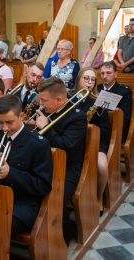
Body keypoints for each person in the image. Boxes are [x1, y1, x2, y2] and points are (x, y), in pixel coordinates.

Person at [0, 94, 53, 236]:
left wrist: (10, 173)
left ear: (21, 116)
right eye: (0, 122)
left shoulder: (38, 144)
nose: (4, 128)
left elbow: (43, 186)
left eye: (9, 122)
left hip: (22, 205)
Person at [35, 77, 87, 245]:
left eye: (44, 100)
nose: (41, 104)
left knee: (54, 198)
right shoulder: (47, 111)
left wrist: (45, 127)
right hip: (45, 163)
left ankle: (61, 239)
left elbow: (66, 148)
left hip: (68, 169)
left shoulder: (77, 117)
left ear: (59, 100)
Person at [68, 67, 110, 216]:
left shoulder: (100, 101)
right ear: (79, 79)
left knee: (102, 167)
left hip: (94, 141)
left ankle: (99, 199)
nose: (89, 83)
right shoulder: (68, 96)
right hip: (72, 140)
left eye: (92, 80)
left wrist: (90, 129)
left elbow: (105, 130)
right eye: (86, 78)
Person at [97, 61, 132, 143]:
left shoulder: (124, 92)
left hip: (114, 131)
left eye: (108, 73)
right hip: (97, 129)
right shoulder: (96, 89)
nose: (105, 76)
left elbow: (125, 119)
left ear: (116, 74)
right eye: (102, 73)